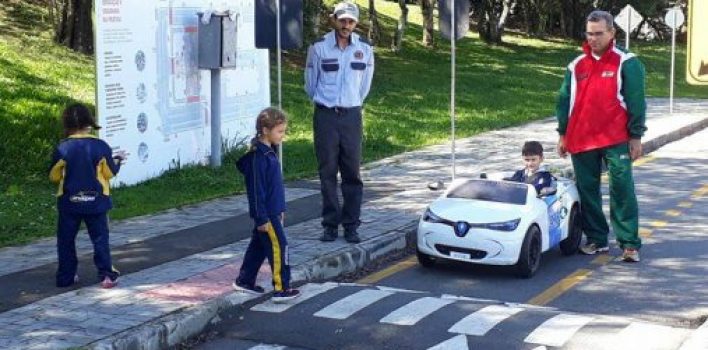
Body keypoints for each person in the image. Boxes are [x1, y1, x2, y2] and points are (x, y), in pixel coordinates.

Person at [555, 10, 646, 263]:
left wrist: (636, 136)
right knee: (587, 190)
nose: (593, 38)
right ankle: (597, 239)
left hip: (616, 138)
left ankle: (629, 243)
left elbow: (636, 102)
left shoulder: (627, 62)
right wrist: (563, 134)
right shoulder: (576, 65)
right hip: (581, 138)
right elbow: (564, 101)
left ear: (612, 33)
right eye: (589, 33)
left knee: (622, 189)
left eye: (598, 33)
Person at [304, 1, 374, 243]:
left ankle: (351, 225)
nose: (346, 25)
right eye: (342, 20)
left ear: (356, 23)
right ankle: (330, 225)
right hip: (325, 116)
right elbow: (311, 83)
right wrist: (327, 103)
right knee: (327, 173)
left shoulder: (364, 49)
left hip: (352, 116)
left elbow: (364, 85)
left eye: (351, 21)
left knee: (352, 173)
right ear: (334, 19)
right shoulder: (319, 47)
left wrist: (350, 103)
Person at [49, 103, 124, 289]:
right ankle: (107, 275)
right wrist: (118, 159)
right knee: (100, 239)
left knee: (66, 240)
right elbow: (109, 173)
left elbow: (54, 175)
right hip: (97, 202)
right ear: (89, 123)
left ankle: (65, 277)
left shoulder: (62, 148)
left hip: (69, 202)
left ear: (66, 123)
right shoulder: (100, 146)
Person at [234, 107, 300, 302]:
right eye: (280, 131)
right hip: (266, 214)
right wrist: (261, 217)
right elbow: (256, 192)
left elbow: (274, 188)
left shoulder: (269, 153)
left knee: (259, 246)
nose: (283, 136)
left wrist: (280, 209)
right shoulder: (258, 158)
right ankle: (281, 288)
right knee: (280, 247)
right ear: (265, 130)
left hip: (272, 211)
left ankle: (244, 280)